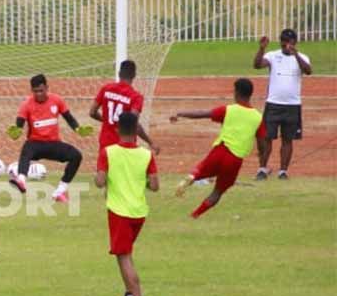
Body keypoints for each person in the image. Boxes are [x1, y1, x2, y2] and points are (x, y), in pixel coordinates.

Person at [95, 112, 159, 296]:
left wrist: (102, 174)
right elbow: (155, 185)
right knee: (124, 253)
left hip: (119, 211)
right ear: (136, 131)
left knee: (124, 257)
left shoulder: (108, 152)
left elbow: (99, 181)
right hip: (139, 212)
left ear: (117, 129)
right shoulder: (146, 155)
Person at [172, 78, 265, 218]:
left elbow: (203, 113)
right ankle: (194, 215)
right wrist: (261, 155)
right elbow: (262, 142)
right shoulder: (258, 117)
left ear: (237, 92)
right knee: (218, 191)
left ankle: (193, 176)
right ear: (250, 94)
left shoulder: (229, 110)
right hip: (235, 159)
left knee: (203, 169)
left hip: (220, 150)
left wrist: (181, 114)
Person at [7, 74, 91, 203]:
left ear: (47, 87)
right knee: (26, 149)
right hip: (35, 143)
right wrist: (16, 132)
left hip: (53, 144)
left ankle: (59, 192)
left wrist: (78, 129)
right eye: (35, 91)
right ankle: (21, 181)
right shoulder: (26, 105)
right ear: (32, 91)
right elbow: (19, 125)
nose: (39, 94)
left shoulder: (57, 100)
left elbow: (69, 118)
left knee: (76, 156)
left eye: (41, 90)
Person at [253, 29, 312, 180]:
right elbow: (257, 65)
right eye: (284, 41)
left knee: (288, 139)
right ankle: (262, 169)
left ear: (295, 42)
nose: (287, 44)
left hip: (292, 105)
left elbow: (308, 71)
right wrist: (261, 48)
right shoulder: (272, 55)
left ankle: (283, 171)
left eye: (290, 41)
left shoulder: (302, 57)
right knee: (267, 137)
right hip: (273, 103)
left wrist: (296, 54)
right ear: (280, 41)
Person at [89, 59, 160, 154]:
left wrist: (106, 120)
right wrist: (150, 142)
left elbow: (92, 112)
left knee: (104, 168)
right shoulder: (135, 97)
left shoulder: (106, 89)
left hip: (105, 143)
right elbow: (133, 124)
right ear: (134, 75)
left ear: (119, 73)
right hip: (125, 145)